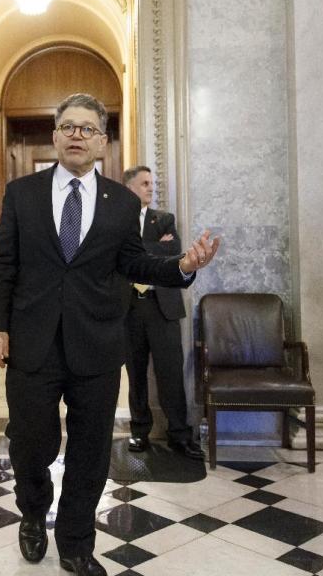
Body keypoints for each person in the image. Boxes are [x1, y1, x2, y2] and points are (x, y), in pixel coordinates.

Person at [0, 93, 219, 576]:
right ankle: (32, 512)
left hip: (98, 344)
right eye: (67, 126)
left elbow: (134, 262)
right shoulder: (22, 193)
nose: (76, 135)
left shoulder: (122, 203)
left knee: (90, 450)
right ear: (54, 137)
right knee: (30, 442)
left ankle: (75, 542)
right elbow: (3, 263)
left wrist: (183, 266)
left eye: (87, 128)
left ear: (102, 142)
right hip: (34, 343)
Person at [119, 166, 203, 460]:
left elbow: (174, 253)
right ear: (129, 187)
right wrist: (154, 247)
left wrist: (142, 249)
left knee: (170, 374)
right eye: (144, 184)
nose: (150, 188)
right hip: (129, 308)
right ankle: (139, 432)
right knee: (136, 374)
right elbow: (119, 253)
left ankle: (179, 434)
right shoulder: (117, 221)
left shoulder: (164, 219)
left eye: (152, 184)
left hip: (162, 306)